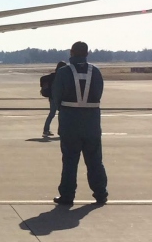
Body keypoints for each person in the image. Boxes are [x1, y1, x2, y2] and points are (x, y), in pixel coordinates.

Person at [51, 41, 108, 206]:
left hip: (70, 122)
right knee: (95, 160)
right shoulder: (95, 72)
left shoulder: (63, 72)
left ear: (71, 53)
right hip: (92, 123)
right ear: (87, 54)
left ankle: (67, 196)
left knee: (70, 161)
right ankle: (100, 193)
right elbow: (99, 93)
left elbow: (56, 97)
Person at [40, 60, 66, 138]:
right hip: (58, 98)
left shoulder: (52, 76)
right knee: (61, 114)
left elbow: (43, 78)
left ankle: (46, 129)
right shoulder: (60, 76)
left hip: (52, 98)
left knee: (52, 114)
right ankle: (61, 130)